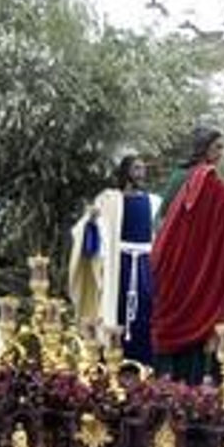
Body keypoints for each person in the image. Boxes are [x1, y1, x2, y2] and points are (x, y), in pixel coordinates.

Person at [150, 128, 224, 384]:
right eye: (218, 148)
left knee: (174, 320)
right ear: (204, 148)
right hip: (192, 265)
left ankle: (168, 384)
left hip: (172, 260)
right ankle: (189, 391)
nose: (221, 153)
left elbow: (163, 219)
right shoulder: (205, 177)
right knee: (194, 321)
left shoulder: (180, 175)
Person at [68, 155, 161, 363]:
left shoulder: (153, 201)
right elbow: (88, 227)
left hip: (144, 263)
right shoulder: (109, 199)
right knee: (115, 307)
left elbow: (160, 232)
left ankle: (143, 359)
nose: (141, 173)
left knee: (145, 306)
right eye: (136, 169)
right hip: (119, 264)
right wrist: (90, 222)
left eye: (142, 169)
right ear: (126, 171)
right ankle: (113, 357)